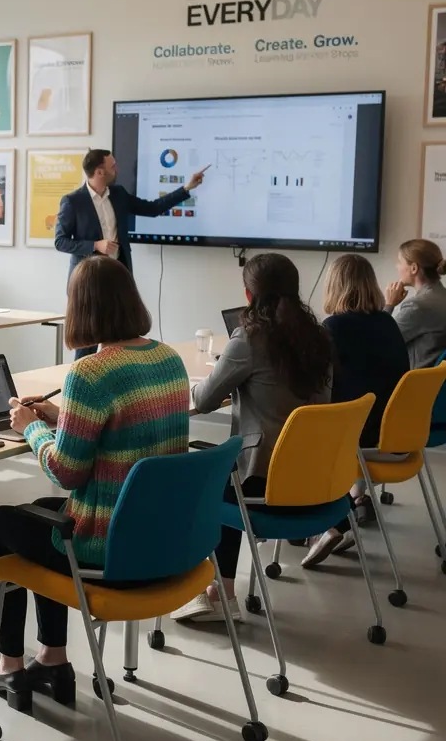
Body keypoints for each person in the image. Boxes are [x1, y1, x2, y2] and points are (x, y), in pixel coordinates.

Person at [0, 256, 189, 707]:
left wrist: (29, 427)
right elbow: (134, 429)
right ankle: (53, 656)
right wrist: (63, 417)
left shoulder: (89, 373)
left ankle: (9, 667)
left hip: (111, 547)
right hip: (166, 539)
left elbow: (67, 472)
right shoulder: (168, 358)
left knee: (1, 523)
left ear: (83, 307)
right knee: (41, 512)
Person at [172, 253, 332, 623]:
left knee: (211, 475)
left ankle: (219, 593)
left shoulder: (247, 339)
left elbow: (205, 400)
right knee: (226, 470)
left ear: (248, 295)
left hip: (265, 482)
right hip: (315, 479)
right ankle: (217, 589)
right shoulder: (320, 337)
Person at [301, 254, 410, 566]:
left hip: (362, 435)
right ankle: (335, 518)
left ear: (334, 286)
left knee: (295, 436)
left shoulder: (334, 326)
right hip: (394, 433)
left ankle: (324, 526)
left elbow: (315, 384)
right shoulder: (386, 320)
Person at [55, 149, 207, 359]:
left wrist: (187, 188)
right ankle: (80, 385)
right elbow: (60, 241)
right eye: (112, 166)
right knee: (87, 344)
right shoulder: (73, 201)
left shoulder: (118, 194)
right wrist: (95, 245)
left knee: (122, 338)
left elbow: (153, 208)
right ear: (100, 172)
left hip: (117, 279)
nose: (116, 169)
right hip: (88, 282)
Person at [384, 238, 446, 369]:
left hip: (417, 385)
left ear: (413, 268)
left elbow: (380, 341)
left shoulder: (417, 306)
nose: (397, 266)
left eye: (400, 262)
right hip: (437, 384)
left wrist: (389, 304)